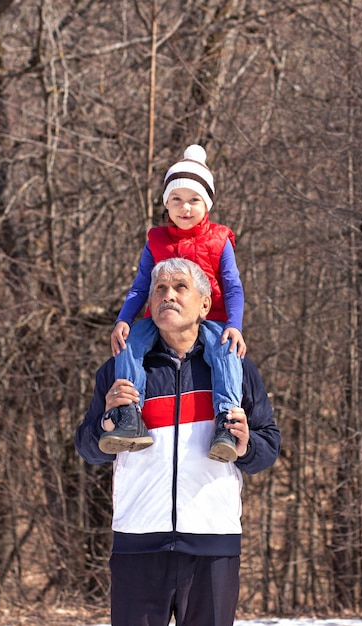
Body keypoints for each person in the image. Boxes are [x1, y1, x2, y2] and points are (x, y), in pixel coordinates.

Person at [75, 258, 281, 626]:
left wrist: (246, 444)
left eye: (180, 287)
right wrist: (107, 421)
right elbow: (88, 448)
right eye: (159, 289)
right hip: (138, 541)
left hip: (212, 543)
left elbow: (268, 449)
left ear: (204, 304)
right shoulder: (120, 368)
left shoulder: (236, 367)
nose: (168, 295)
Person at [102, 144, 247, 462]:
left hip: (211, 319)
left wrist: (234, 326)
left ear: (206, 203)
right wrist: (124, 319)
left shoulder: (219, 239)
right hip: (159, 318)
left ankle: (225, 421)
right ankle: (129, 415)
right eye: (176, 199)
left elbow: (233, 287)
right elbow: (141, 287)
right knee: (130, 344)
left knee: (224, 352)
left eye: (194, 200)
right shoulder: (156, 240)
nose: (185, 207)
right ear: (166, 203)